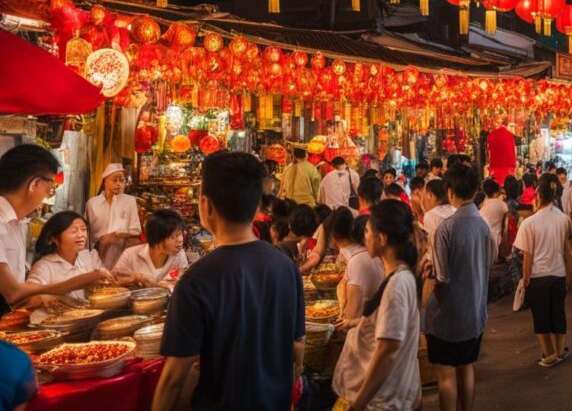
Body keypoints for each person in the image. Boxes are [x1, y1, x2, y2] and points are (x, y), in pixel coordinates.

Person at [153, 151, 304, 411]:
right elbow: (296, 344)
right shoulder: (287, 268)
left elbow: (173, 379)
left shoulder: (196, 281)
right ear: (257, 206)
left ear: (205, 206)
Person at [333, 200, 422, 411]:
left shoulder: (397, 284)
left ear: (381, 239)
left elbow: (387, 350)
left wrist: (358, 403)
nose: (364, 237)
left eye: (367, 232)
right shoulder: (397, 276)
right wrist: (357, 322)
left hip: (385, 401)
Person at [422, 163, 495, 411]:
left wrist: (428, 273)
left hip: (447, 318)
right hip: (475, 313)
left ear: (450, 191)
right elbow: (490, 261)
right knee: (466, 366)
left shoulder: (446, 229)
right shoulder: (484, 226)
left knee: (445, 374)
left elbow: (441, 277)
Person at [514, 173, 572, 367]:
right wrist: (568, 277)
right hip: (558, 274)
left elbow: (527, 256)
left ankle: (548, 353)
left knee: (540, 316)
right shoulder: (563, 219)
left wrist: (526, 277)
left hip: (538, 276)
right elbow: (568, 253)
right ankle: (559, 350)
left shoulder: (529, 223)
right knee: (558, 314)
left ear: (538, 196)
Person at [27, 211, 118, 300]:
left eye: (83, 229)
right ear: (54, 238)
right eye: (74, 231)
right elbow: (29, 298)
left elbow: (105, 287)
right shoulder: (43, 267)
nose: (81, 235)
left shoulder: (90, 257)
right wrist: (89, 277)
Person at [331, 208, 385, 333]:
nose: (367, 237)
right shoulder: (372, 258)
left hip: (366, 336)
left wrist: (345, 325)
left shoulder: (359, 260)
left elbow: (352, 312)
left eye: (368, 232)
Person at [85, 162, 142, 269]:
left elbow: (136, 230)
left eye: (122, 180)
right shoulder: (92, 204)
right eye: (115, 180)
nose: (119, 184)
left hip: (122, 250)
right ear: (105, 181)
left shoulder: (129, 201)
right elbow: (88, 234)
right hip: (97, 251)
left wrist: (116, 235)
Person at [112, 209, 188, 287]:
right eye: (173, 237)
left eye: (180, 234)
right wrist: (132, 279)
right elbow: (115, 282)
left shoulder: (179, 255)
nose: (180, 240)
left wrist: (149, 282)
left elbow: (182, 286)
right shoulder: (130, 255)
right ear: (157, 238)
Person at [478, 179, 508, 251]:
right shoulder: (502, 205)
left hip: (480, 240)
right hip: (495, 241)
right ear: (496, 192)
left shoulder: (482, 204)